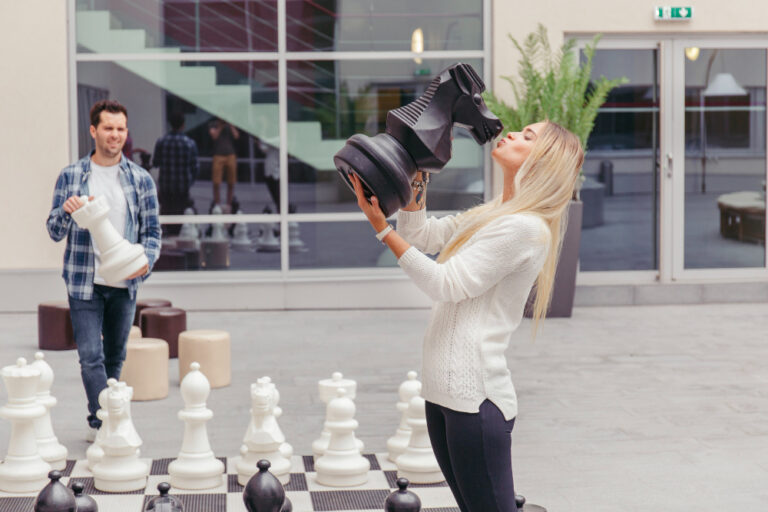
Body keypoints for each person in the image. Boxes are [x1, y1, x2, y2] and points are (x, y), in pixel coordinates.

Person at [351, 121, 583, 512]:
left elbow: (445, 283)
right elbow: (424, 235)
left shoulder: (523, 228)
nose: (513, 134)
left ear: (544, 162)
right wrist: (416, 181)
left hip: (475, 400)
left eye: (528, 137)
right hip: (441, 393)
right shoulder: (496, 212)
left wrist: (381, 230)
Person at [46, 100, 161, 439]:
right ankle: (104, 422)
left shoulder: (140, 179)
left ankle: (107, 416)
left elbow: (153, 234)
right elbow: (54, 231)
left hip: (124, 282)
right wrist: (66, 212)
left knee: (114, 356)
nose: (115, 135)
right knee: (90, 356)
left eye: (120, 129)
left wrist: (143, 265)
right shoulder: (71, 176)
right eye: (108, 128)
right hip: (84, 281)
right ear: (93, 131)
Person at [152, 111, 199, 234]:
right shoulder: (189, 143)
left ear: (170, 124)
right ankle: (177, 235)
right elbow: (195, 167)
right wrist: (189, 181)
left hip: (166, 187)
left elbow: (155, 162)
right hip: (182, 188)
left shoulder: (162, 142)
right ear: (183, 125)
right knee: (181, 214)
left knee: (167, 213)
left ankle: (168, 234)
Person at [209, 118, 240, 208]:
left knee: (231, 182)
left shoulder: (231, 125)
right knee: (216, 182)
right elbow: (214, 136)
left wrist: (231, 125)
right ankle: (217, 204)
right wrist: (220, 126)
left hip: (230, 155)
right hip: (218, 155)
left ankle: (229, 205)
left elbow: (236, 136)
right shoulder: (213, 124)